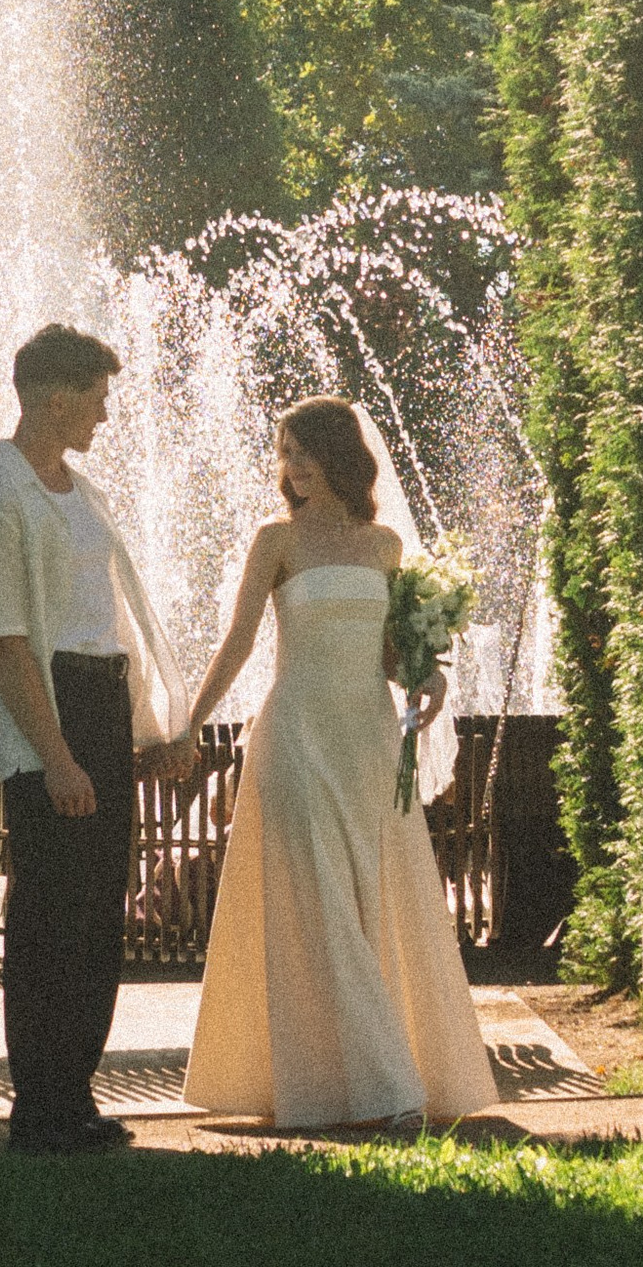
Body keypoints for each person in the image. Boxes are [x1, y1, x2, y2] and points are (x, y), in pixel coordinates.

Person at [180, 395, 498, 1134]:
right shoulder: (275, 541)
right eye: (282, 455)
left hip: (368, 742)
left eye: (301, 452)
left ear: (336, 455)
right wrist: (189, 726)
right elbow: (237, 644)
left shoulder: (384, 545)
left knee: (371, 901)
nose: (289, 470)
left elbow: (392, 658)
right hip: (294, 736)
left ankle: (342, 1079)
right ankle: (389, 1088)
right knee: (317, 900)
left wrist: (430, 679)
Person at [0, 325, 188, 1155]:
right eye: (97, 398)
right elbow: (7, 645)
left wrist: (153, 727)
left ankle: (73, 1096)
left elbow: (116, 621)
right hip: (48, 714)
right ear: (56, 398)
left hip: (102, 703)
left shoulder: (85, 496)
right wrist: (56, 759)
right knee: (51, 913)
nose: (107, 415)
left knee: (98, 911)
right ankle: (40, 1109)